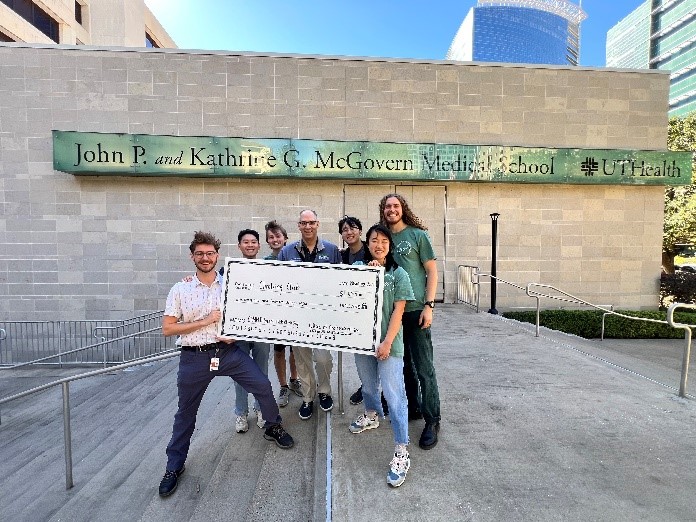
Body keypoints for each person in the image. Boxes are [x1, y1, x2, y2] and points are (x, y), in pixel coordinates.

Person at [159, 231, 294, 498]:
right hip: (194, 357)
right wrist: (205, 321)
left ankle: (273, 424)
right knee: (185, 413)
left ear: (217, 256)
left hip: (228, 352)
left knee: (263, 386)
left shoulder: (231, 284)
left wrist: (238, 334)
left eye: (210, 253)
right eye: (200, 253)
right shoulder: (181, 288)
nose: (205, 258)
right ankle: (174, 465)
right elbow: (168, 328)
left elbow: (251, 314)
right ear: (192, 256)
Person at [348, 223, 414, 487]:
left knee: (395, 395)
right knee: (367, 384)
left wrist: (387, 342)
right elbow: (344, 289)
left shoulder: (399, 275)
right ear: (367, 243)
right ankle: (372, 415)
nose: (379, 245)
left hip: (390, 345)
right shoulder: (359, 268)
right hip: (362, 343)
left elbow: (398, 312)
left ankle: (401, 450)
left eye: (384, 241)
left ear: (390, 246)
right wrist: (366, 275)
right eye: (374, 240)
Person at [380, 193, 442, 450]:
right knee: (404, 366)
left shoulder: (418, 235)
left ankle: (432, 420)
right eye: (387, 207)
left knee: (424, 367)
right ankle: (414, 407)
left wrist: (429, 306)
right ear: (383, 211)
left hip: (416, 310)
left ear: (402, 209)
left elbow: (432, 271)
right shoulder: (383, 237)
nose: (392, 210)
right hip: (395, 312)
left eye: (396, 206)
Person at [277, 209, 341, 420]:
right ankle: (308, 396)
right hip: (297, 318)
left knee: (322, 359)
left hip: (323, 317)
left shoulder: (331, 250)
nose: (307, 226)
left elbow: (340, 282)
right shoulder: (287, 252)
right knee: (302, 360)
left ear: (317, 224)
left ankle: (324, 391)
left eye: (311, 223)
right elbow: (279, 282)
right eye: (303, 223)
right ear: (299, 226)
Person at [232, 229, 272, 433]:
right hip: (238, 333)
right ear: (239, 246)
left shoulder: (267, 268)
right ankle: (240, 413)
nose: (250, 245)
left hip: (262, 331)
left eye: (253, 242)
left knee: (261, 372)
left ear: (258, 245)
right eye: (245, 242)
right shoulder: (229, 271)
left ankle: (261, 409)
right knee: (240, 374)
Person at [263, 220, 302, 407]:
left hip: (295, 313)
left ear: (285, 238)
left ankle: (295, 380)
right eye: (271, 237)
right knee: (279, 351)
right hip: (276, 316)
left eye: (278, 236)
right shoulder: (265, 263)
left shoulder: (296, 259)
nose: (275, 239)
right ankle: (283, 385)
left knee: (295, 350)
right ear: (267, 241)